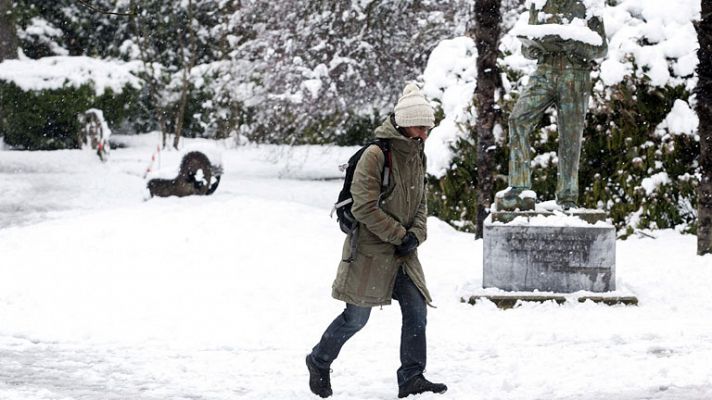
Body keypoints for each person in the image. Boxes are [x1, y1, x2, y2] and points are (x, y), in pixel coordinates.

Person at [305, 83, 447, 398]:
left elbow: (421, 203)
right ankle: (318, 360)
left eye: (428, 128)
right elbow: (364, 207)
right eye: (421, 126)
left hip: (403, 254)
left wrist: (416, 236)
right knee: (355, 318)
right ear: (404, 121)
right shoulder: (376, 154)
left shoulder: (416, 153)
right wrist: (400, 236)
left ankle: (411, 377)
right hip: (370, 252)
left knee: (416, 309)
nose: (425, 133)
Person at [497, 0, 608, 211]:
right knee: (518, 119)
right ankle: (520, 187)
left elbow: (601, 48)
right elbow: (526, 49)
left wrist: (573, 45)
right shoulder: (539, 3)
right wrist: (534, 48)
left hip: (574, 74)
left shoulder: (588, 4)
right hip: (544, 71)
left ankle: (567, 197)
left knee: (570, 136)